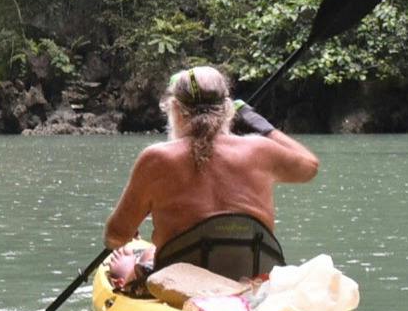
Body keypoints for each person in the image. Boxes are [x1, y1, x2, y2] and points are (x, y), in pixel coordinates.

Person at [102, 64, 319, 284]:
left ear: (175, 108)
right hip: (253, 281)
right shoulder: (260, 149)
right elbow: (310, 167)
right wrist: (260, 125)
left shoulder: (156, 158)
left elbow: (115, 236)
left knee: (127, 263)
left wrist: (133, 252)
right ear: (228, 109)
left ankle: (134, 269)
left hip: (180, 287)